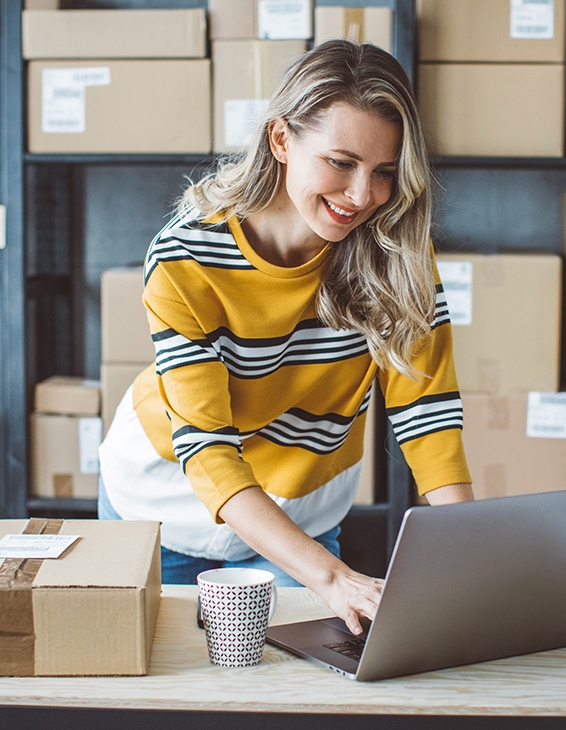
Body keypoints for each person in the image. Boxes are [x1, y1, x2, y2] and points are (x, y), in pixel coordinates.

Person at [98, 39, 473, 635]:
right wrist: (333, 578)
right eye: (341, 162)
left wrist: (473, 553)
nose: (361, 197)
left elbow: (425, 410)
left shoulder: (394, 249)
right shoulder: (187, 256)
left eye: (383, 173)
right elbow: (210, 453)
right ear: (280, 139)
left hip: (305, 511)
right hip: (169, 504)